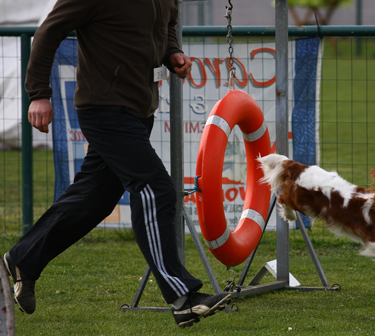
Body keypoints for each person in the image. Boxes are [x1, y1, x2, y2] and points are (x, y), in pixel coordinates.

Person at [3, 0, 231, 329]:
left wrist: (172, 53)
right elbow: (48, 32)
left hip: (140, 109)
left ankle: (22, 259)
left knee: (93, 199)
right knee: (156, 189)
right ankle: (183, 299)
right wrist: (39, 93)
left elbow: (167, 25)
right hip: (104, 108)